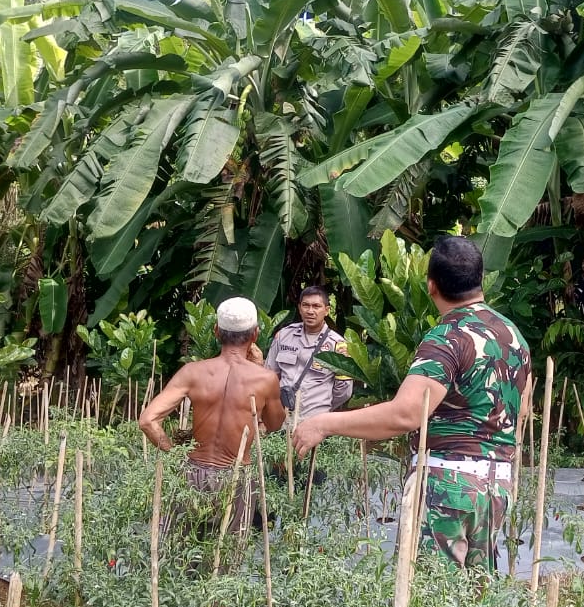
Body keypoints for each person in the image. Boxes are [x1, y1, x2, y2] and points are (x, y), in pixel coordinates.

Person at [294, 236, 531, 571]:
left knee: (430, 598)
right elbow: (521, 410)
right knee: (476, 602)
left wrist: (322, 423)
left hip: (448, 484)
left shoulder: (448, 337)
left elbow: (406, 413)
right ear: (480, 280)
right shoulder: (513, 336)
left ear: (431, 286)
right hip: (497, 484)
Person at [138, 297, 286, 533]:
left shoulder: (193, 371)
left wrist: (176, 456)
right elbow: (275, 423)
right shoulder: (265, 379)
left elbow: (147, 421)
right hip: (236, 476)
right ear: (255, 335)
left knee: (184, 551)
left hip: (192, 472)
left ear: (216, 331)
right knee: (228, 554)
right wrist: (259, 369)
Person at [265, 285, 353, 421]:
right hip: (281, 418)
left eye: (316, 306)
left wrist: (322, 407)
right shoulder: (283, 336)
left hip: (315, 421)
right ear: (300, 308)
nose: (310, 311)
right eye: (306, 305)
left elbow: (344, 391)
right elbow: (269, 375)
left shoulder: (337, 345)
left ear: (327, 310)